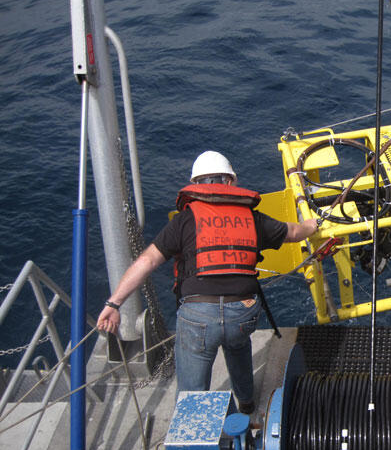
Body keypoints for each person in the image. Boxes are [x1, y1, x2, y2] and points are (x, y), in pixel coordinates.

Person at [96, 150, 319, 413]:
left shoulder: (185, 220)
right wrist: (313, 224)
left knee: (192, 393)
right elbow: (294, 232)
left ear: (195, 186)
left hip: (197, 316)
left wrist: (114, 303)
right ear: (230, 182)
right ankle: (246, 403)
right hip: (242, 312)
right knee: (238, 345)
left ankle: (200, 433)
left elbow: (146, 261)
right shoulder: (251, 217)